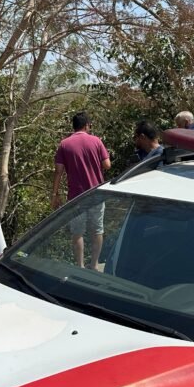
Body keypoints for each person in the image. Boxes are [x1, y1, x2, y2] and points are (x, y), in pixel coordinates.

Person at [52, 112, 111, 269]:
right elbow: (107, 165)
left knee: (77, 232)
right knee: (97, 229)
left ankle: (80, 266)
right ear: (86, 125)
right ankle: (94, 264)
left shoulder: (64, 144)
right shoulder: (96, 141)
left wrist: (55, 194)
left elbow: (58, 170)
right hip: (96, 193)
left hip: (76, 196)